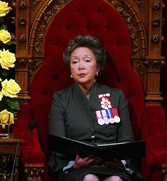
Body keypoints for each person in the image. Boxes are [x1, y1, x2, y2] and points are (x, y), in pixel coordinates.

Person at [48, 35, 142, 181]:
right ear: (70, 69)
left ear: (97, 67)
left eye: (87, 60)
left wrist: (121, 162)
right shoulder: (60, 98)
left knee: (115, 180)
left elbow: (127, 140)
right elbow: (58, 145)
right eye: (75, 62)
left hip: (112, 167)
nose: (81, 66)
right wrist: (74, 164)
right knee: (89, 178)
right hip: (76, 168)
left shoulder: (116, 96)